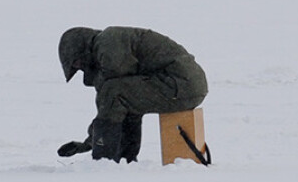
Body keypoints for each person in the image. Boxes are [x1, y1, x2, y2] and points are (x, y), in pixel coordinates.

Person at [57, 26, 208, 163]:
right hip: (184, 86)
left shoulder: (108, 43)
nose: (80, 68)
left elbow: (112, 98)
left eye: (76, 63)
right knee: (123, 99)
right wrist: (89, 142)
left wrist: (97, 143)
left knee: (115, 92)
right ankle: (125, 159)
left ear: (83, 47)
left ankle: (104, 161)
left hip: (180, 85)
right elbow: (115, 105)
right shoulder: (109, 44)